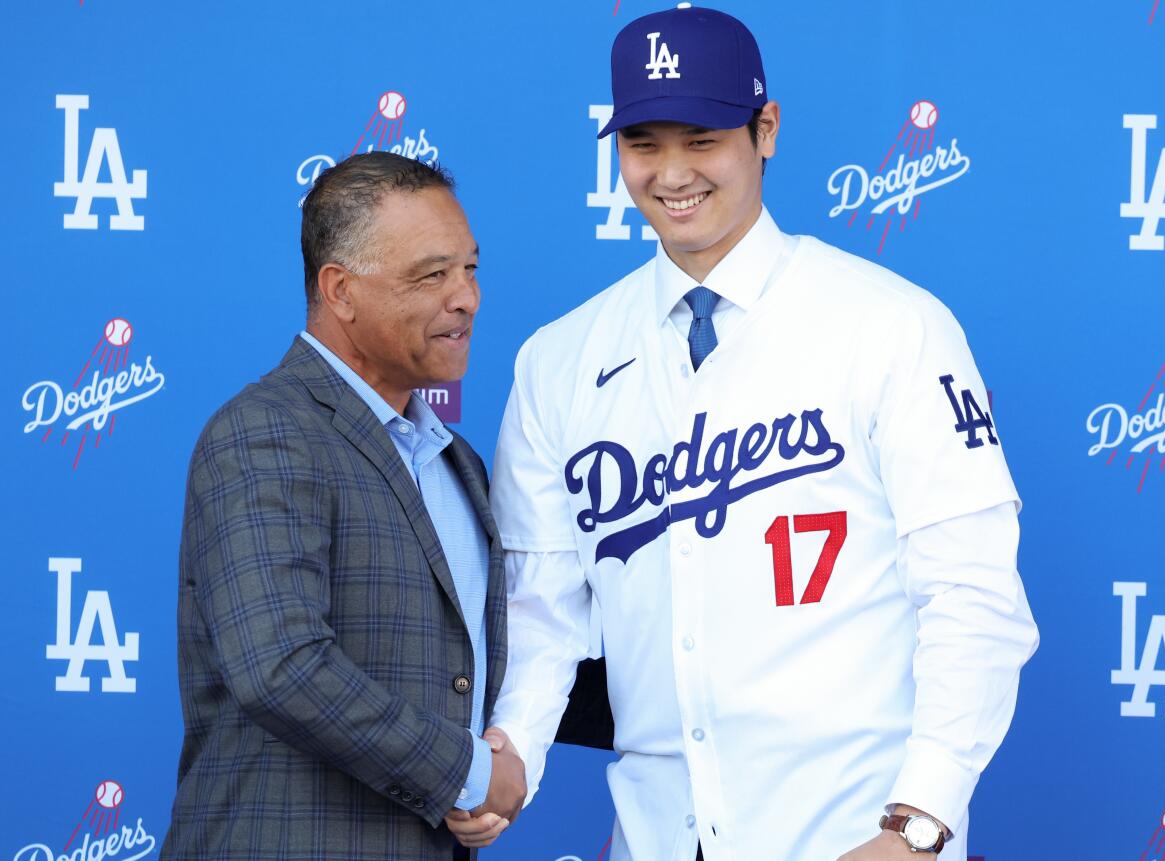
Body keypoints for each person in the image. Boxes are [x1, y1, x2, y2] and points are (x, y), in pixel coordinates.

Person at [480, 6, 1039, 860]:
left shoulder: (890, 327)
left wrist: (919, 822)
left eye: (701, 139)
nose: (671, 174)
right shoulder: (558, 360)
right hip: (656, 834)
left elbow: (974, 598)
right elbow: (544, 606)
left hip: (857, 832)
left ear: (764, 129)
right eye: (644, 144)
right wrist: (511, 751)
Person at [161, 152, 525, 861]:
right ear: (341, 290)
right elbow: (283, 666)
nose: (467, 298)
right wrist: (470, 771)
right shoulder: (264, 431)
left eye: (470, 269)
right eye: (431, 275)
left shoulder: (459, 463)